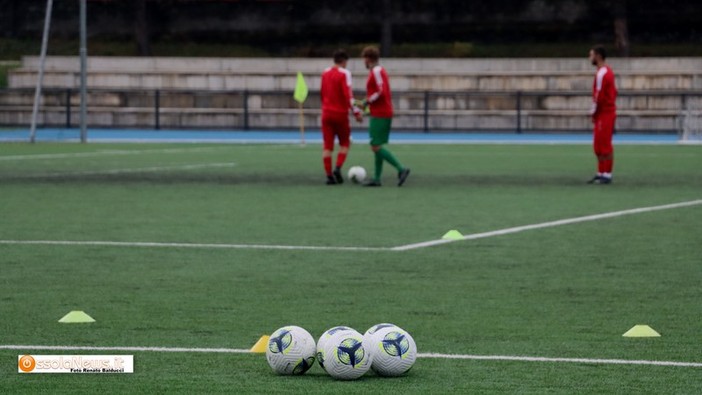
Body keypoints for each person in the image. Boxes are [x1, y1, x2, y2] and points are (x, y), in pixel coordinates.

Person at [357, 46, 410, 187]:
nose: (364, 61)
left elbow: (381, 91)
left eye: (364, 58)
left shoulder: (377, 70)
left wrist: (366, 101)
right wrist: (367, 107)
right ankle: (376, 178)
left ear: (368, 58)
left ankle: (401, 169)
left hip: (381, 113)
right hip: (379, 112)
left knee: (375, 146)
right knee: (377, 145)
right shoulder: (377, 71)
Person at [320, 49, 363, 185]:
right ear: (344, 61)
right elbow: (348, 95)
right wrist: (356, 112)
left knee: (327, 147)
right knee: (345, 143)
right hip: (340, 114)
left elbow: (322, 93)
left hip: (326, 113)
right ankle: (337, 168)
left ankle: (329, 176)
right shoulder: (345, 73)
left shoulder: (325, 73)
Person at [587, 45, 618, 184]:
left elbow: (599, 95)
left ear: (598, 56)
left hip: (605, 112)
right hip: (603, 112)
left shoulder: (603, 73)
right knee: (598, 145)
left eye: (591, 55)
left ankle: (607, 174)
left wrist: (593, 111)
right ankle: (601, 172)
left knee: (604, 144)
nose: (590, 58)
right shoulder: (604, 72)